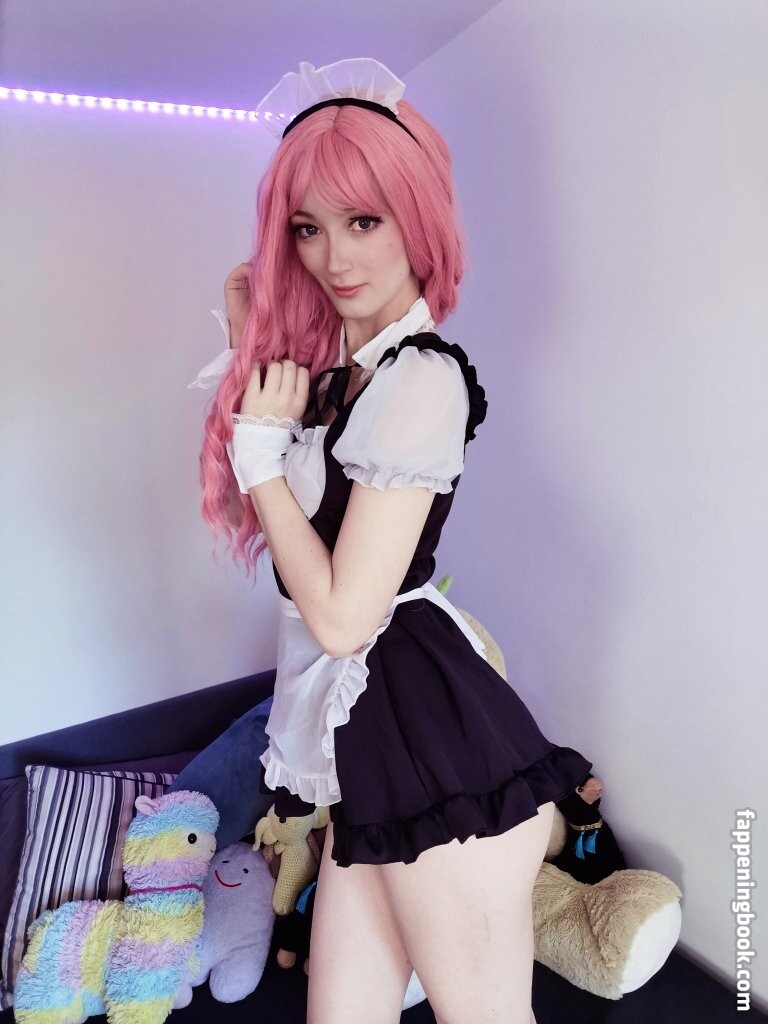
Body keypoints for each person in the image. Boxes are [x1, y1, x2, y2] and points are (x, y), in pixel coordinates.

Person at [193, 58, 593, 1024]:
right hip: (374, 757)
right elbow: (291, 530)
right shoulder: (343, 380)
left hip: (436, 751)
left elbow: (339, 618)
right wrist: (254, 360)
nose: (334, 256)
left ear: (416, 217)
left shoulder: (421, 379)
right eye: (308, 228)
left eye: (363, 221)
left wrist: (258, 453)